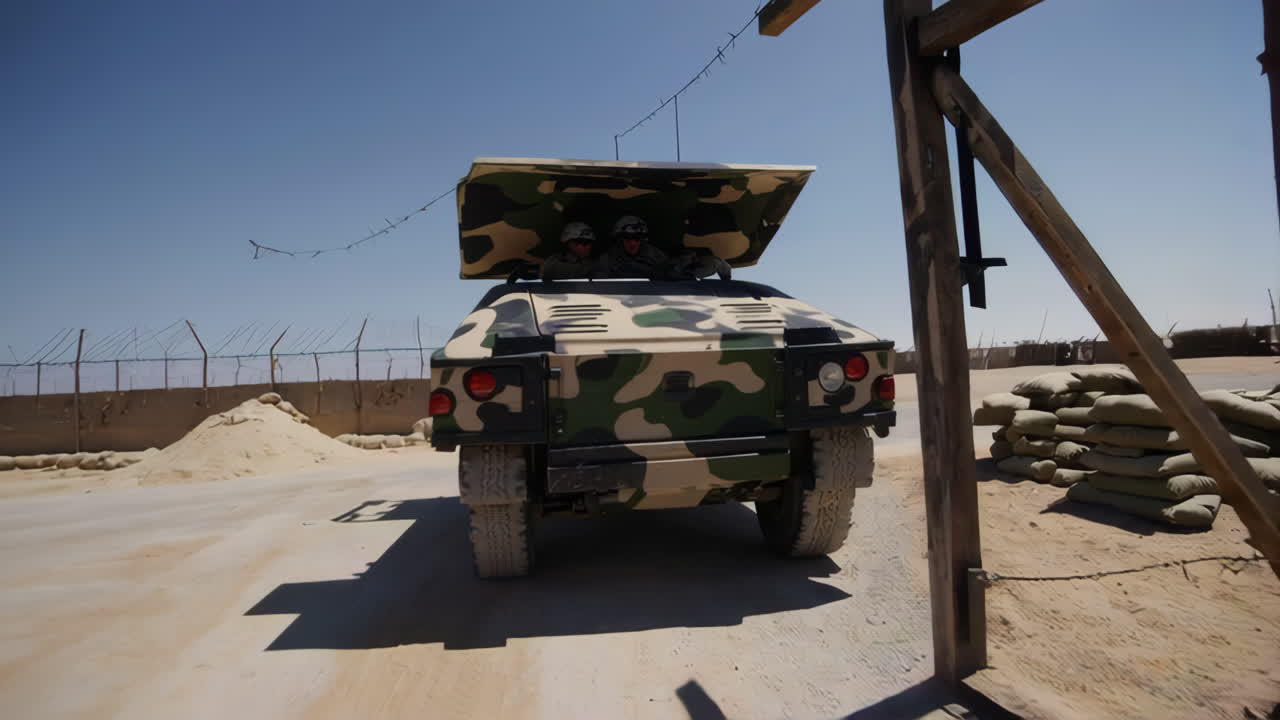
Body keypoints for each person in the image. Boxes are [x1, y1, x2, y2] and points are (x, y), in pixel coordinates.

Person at [597, 215, 668, 279]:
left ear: (643, 239)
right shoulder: (607, 260)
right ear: (620, 239)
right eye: (627, 237)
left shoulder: (657, 257)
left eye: (637, 238)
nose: (632, 243)